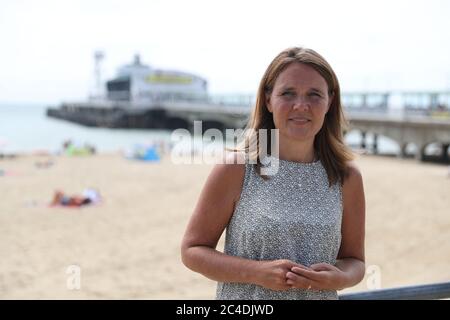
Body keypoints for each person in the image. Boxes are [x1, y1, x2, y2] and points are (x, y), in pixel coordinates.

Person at [181, 47, 366, 300]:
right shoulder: (236, 168)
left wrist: (340, 277)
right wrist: (255, 272)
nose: (301, 105)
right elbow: (193, 250)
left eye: (314, 95)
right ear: (268, 99)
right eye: (288, 93)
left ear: (329, 101)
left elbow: (355, 261)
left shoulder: (346, 177)